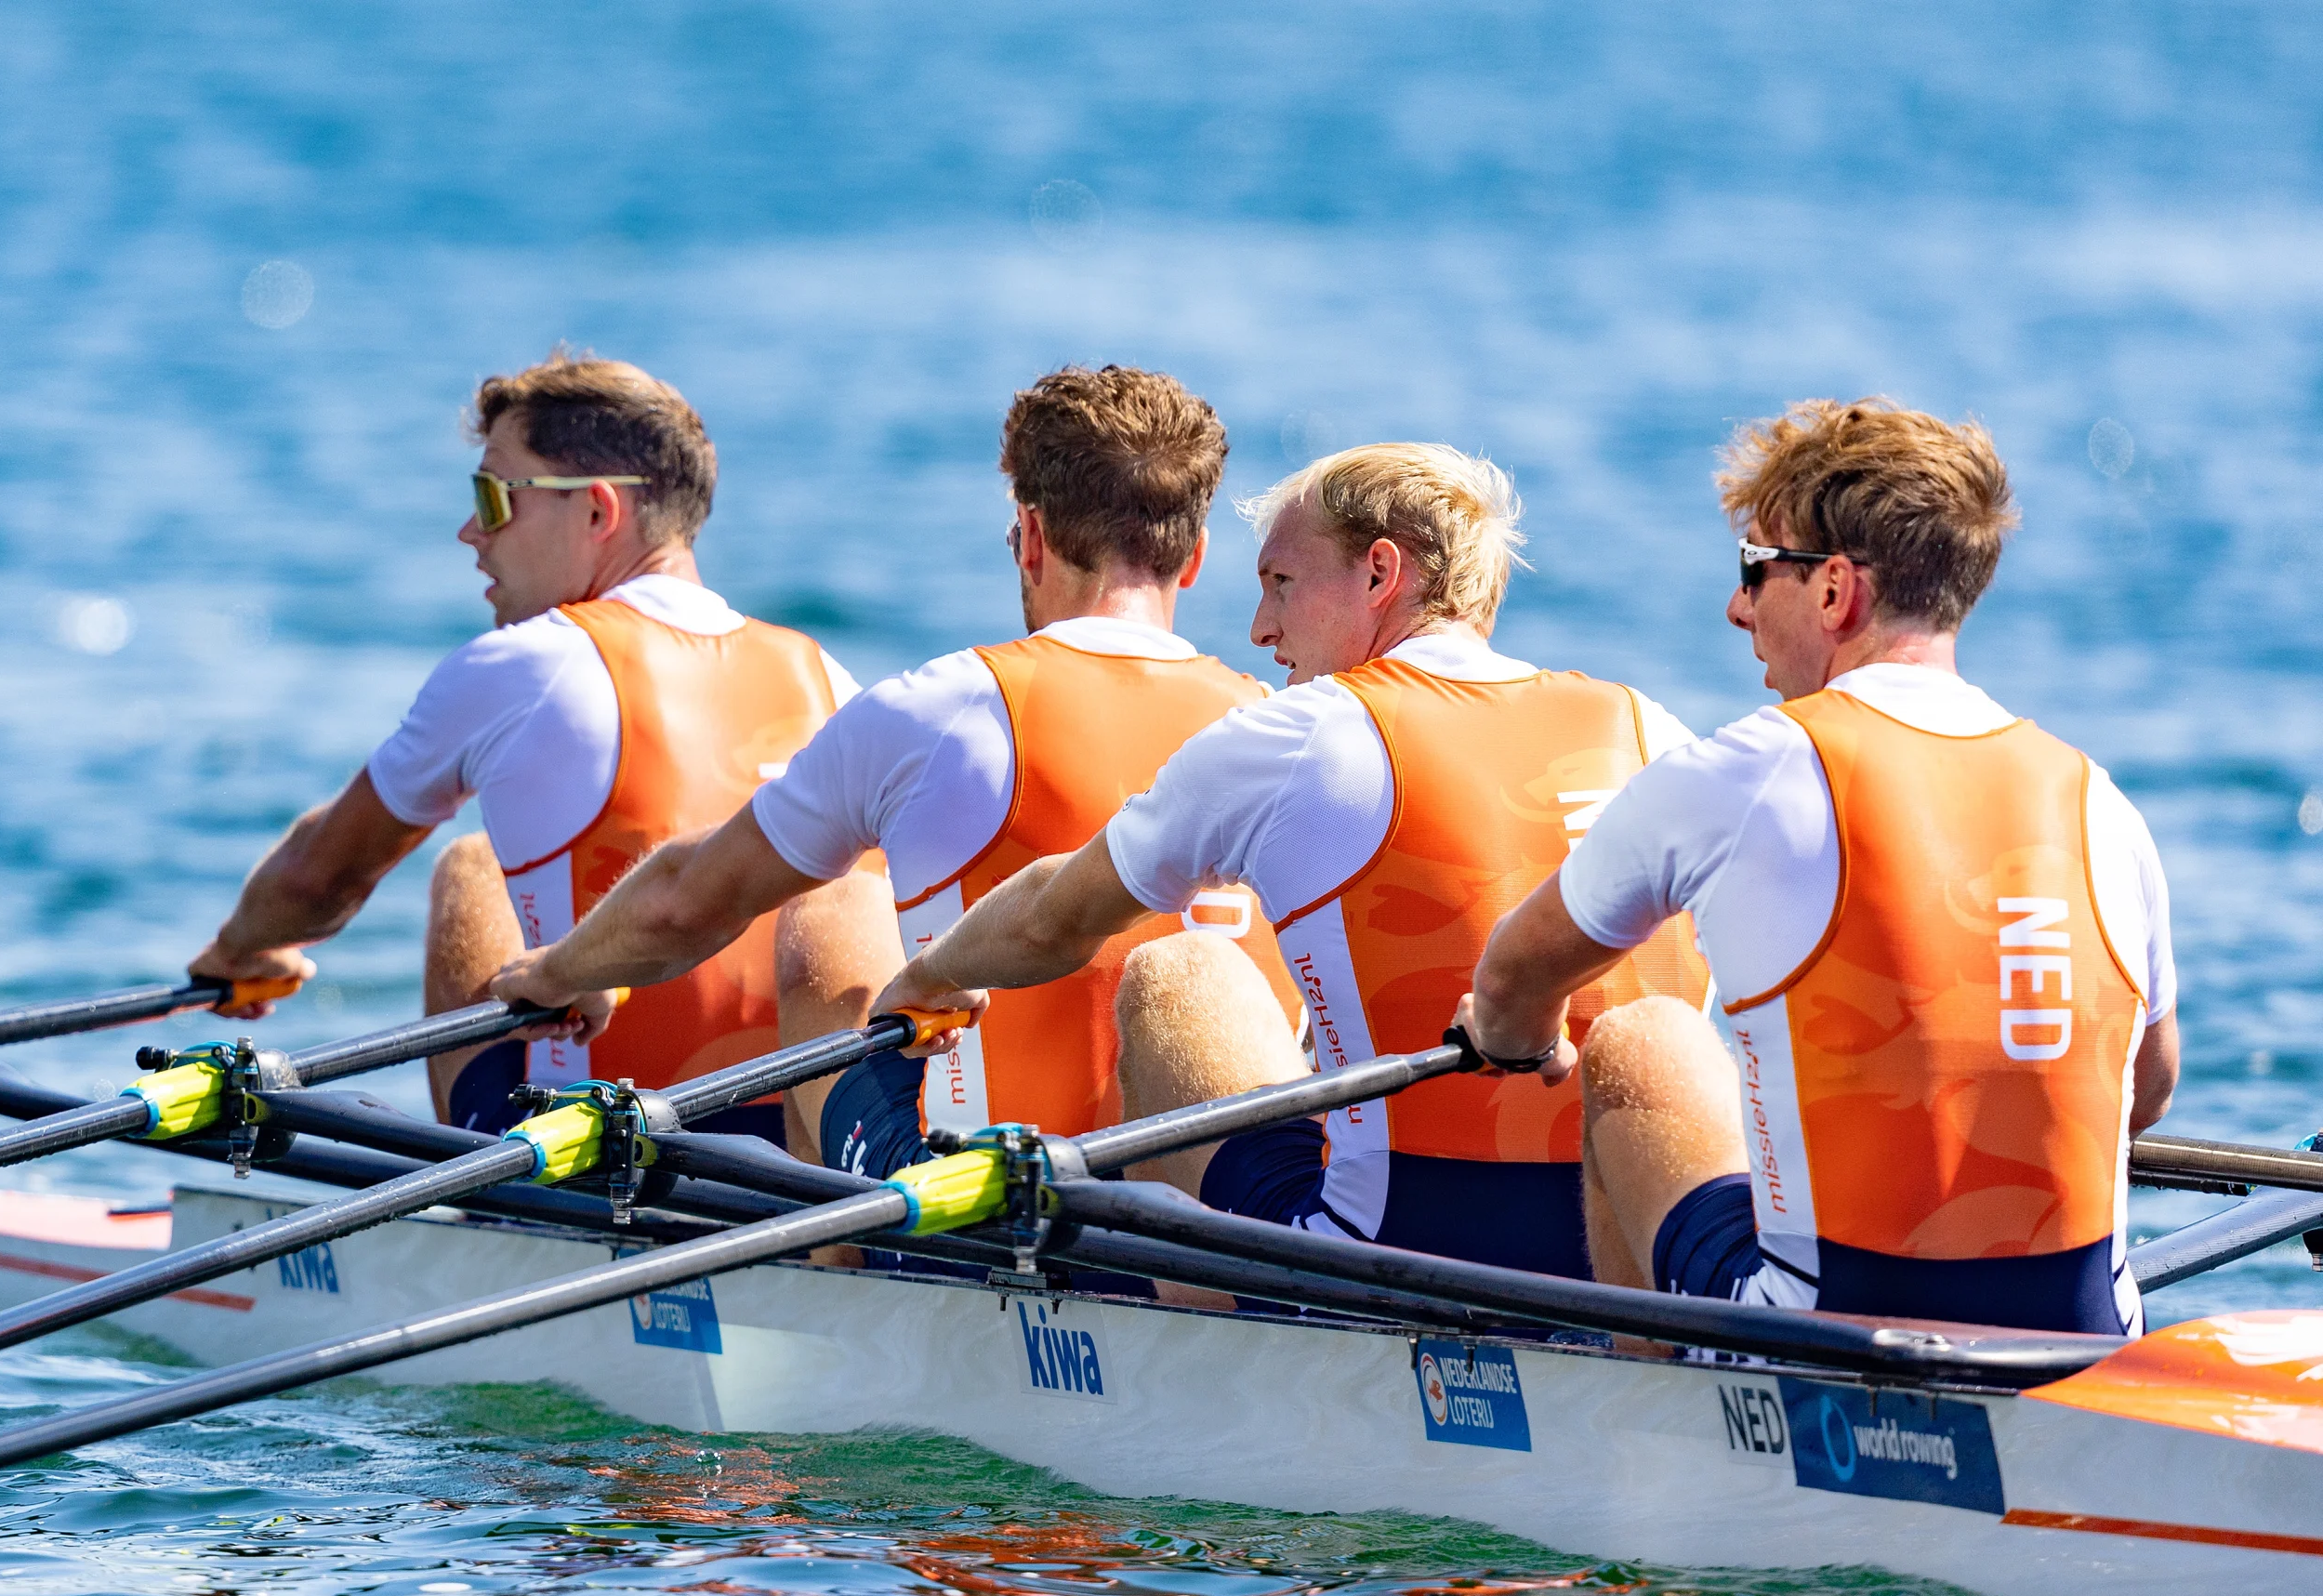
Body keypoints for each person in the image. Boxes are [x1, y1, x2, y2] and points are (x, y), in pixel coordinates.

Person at [875, 442, 1708, 1281]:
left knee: (1186, 972)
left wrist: (933, 973)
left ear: (1381, 572)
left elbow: (1056, 917)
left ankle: (1190, 1353)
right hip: (1629, 1260)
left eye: (1282, 584)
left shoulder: (1306, 732)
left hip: (1388, 1253)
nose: (1259, 629)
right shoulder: (1652, 730)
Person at [1460, 400, 2177, 1334]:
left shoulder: (1744, 772)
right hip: (2081, 1344)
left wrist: (1514, 1038)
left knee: (1645, 1039)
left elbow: (1514, 977)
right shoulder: (2099, 802)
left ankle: (1645, 1433)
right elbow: (2147, 1090)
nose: (1737, 606)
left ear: (1836, 591)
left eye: (1756, 570)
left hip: (1820, 1335)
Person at [486, 364, 1295, 1174]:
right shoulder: (1281, 728)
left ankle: (831, 1267)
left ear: (1034, 535)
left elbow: (688, 903)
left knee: (833, 901)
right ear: (1193, 558)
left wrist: (561, 969)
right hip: (1215, 1228)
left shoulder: (939, 708)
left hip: (986, 1225)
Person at [183, 349, 865, 1143]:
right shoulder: (831, 678)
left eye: (495, 496)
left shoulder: (528, 662)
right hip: (813, 1161)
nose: (472, 532)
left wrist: (238, 951)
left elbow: (321, 875)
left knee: (472, 867)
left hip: (607, 1163)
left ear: (598, 511)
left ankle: (486, 1197)